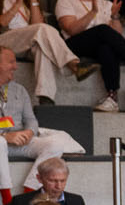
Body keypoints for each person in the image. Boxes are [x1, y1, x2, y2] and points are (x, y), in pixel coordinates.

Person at [53, 0, 125, 111]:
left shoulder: (106, 4)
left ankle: (112, 97)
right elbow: (71, 30)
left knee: (107, 48)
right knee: (103, 30)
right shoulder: (65, 1)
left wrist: (115, 17)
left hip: (97, 46)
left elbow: (117, 36)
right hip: (73, 45)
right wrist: (92, 12)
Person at [0, 51, 81, 192]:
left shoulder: (19, 90)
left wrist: (29, 132)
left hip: (21, 142)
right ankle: (6, 196)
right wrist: (5, 136)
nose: (16, 66)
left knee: (55, 144)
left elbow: (31, 119)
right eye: (11, 62)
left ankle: (30, 191)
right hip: (2, 143)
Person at [0, 0, 74, 105]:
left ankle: (46, 97)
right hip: (4, 41)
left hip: (27, 42)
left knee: (42, 48)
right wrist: (17, 3)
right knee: (42, 28)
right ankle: (72, 63)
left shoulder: (27, 1)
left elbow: (36, 24)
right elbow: (2, 22)